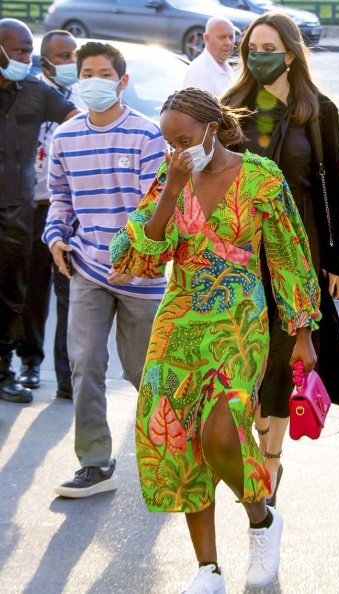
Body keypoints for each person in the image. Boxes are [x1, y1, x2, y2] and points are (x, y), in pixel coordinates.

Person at [109, 87, 321, 593]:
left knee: (220, 435)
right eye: (168, 142)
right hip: (178, 323)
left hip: (238, 322)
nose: (176, 150)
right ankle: (208, 569)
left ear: (211, 128)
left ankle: (262, 518)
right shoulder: (171, 175)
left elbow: (290, 256)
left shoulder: (260, 178)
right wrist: (170, 188)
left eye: (184, 139)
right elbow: (133, 257)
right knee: (178, 439)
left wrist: (302, 334)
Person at [223, 12, 339, 507]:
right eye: (251, 46)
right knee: (248, 360)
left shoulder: (318, 111)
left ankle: (270, 466)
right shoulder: (231, 108)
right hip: (241, 253)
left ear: (291, 53)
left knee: (285, 357)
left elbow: (333, 187)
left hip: (300, 251)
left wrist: (338, 261)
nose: (258, 54)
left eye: (268, 46)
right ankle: (258, 442)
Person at [43, 42, 167, 498]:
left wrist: (132, 258)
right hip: (87, 270)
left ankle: (172, 451)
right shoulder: (66, 137)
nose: (95, 80)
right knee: (85, 363)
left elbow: (154, 207)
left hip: (142, 277)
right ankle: (95, 463)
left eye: (104, 73)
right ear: (78, 80)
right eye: (87, 73)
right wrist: (56, 237)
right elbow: (61, 197)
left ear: (122, 81)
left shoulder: (146, 135)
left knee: (143, 371)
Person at [0, 18, 79, 405]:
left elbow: (79, 121)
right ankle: (19, 364)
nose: (24, 58)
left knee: (38, 293)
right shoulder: (26, 89)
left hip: (43, 210)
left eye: (28, 51)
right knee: (19, 290)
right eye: (19, 50)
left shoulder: (46, 94)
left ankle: (37, 373)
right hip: (21, 206)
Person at [182, 17, 236, 97]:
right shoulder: (200, 72)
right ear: (206, 38)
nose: (228, 42)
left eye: (231, 37)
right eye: (222, 37)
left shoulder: (225, 65)